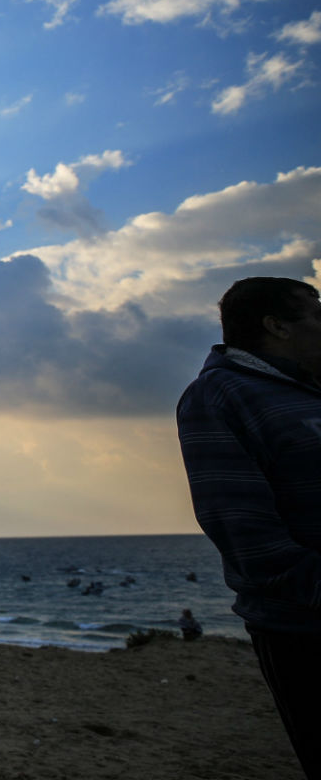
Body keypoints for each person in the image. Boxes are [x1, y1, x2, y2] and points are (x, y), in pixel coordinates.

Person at [177, 276, 321, 776]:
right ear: (275, 326)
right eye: (316, 313)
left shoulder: (307, 390)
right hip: (304, 629)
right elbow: (244, 532)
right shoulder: (220, 395)